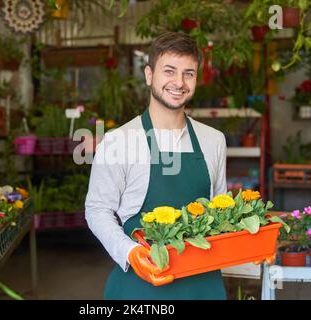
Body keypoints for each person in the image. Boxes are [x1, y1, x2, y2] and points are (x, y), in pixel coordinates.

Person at [85, 32, 227, 300]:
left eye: (189, 73)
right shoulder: (118, 141)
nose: (179, 82)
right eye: (169, 71)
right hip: (141, 285)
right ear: (149, 75)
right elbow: (97, 209)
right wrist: (129, 252)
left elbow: (219, 210)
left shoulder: (213, 141)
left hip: (203, 285)